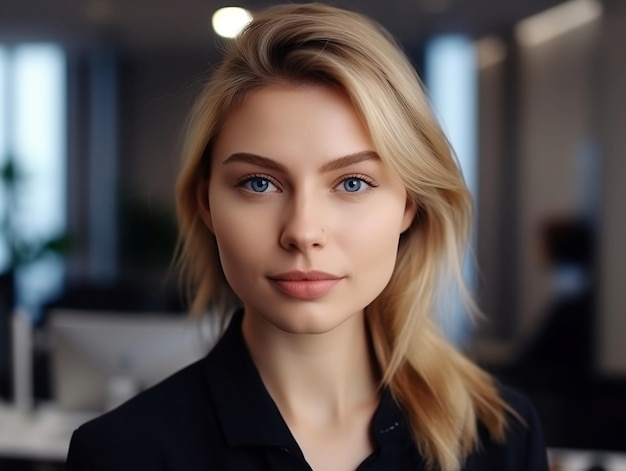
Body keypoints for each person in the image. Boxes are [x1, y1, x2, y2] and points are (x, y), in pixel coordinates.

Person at [66, 3, 549, 470]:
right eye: (259, 183)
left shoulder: (500, 435)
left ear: (409, 205)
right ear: (206, 204)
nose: (302, 232)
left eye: (352, 183)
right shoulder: (122, 453)